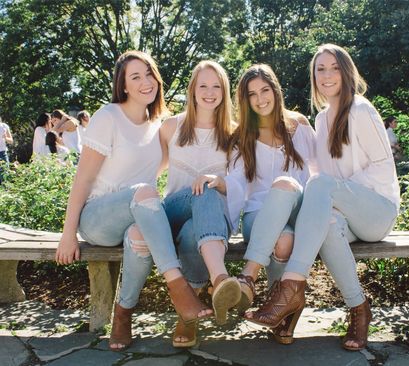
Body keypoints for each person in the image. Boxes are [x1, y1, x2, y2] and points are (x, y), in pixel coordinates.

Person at [245, 44, 400, 351]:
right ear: (314, 76)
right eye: (320, 69)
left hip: (377, 210)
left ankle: (291, 286)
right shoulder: (321, 120)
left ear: (346, 71)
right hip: (344, 211)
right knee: (325, 222)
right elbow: (318, 172)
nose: (327, 75)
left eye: (333, 68)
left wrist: (336, 188)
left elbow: (383, 166)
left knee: (321, 186)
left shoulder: (361, 110)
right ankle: (359, 308)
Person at [55, 50, 212, 351]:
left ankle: (123, 315)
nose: (145, 81)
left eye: (149, 73)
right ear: (123, 85)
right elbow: (83, 179)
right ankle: (177, 285)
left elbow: (176, 154)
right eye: (135, 76)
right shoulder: (108, 117)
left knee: (140, 236)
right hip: (99, 218)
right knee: (144, 191)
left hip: (139, 217)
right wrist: (67, 234)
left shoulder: (159, 125)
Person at [207, 64, 317, 343]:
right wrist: (219, 182)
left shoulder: (300, 126)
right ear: (245, 100)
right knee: (283, 242)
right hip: (258, 215)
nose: (260, 99)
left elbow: (320, 171)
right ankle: (281, 308)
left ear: (275, 91)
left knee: (286, 184)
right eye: (252, 94)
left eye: (265, 90)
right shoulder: (242, 136)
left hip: (300, 209)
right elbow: (236, 182)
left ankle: (247, 279)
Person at [159, 60, 238, 348]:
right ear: (192, 90)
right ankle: (220, 280)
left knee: (196, 231)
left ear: (224, 92)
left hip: (213, 220)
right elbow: (148, 172)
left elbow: (242, 186)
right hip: (175, 212)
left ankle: (188, 316)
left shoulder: (234, 134)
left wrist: (218, 180)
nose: (209, 92)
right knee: (201, 192)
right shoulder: (171, 127)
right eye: (203, 85)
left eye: (216, 86)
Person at [0, 117, 13, 183]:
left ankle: (5, 192)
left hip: (2, 153)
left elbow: (11, 141)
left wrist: (5, 138)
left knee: (5, 176)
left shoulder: (4, 126)